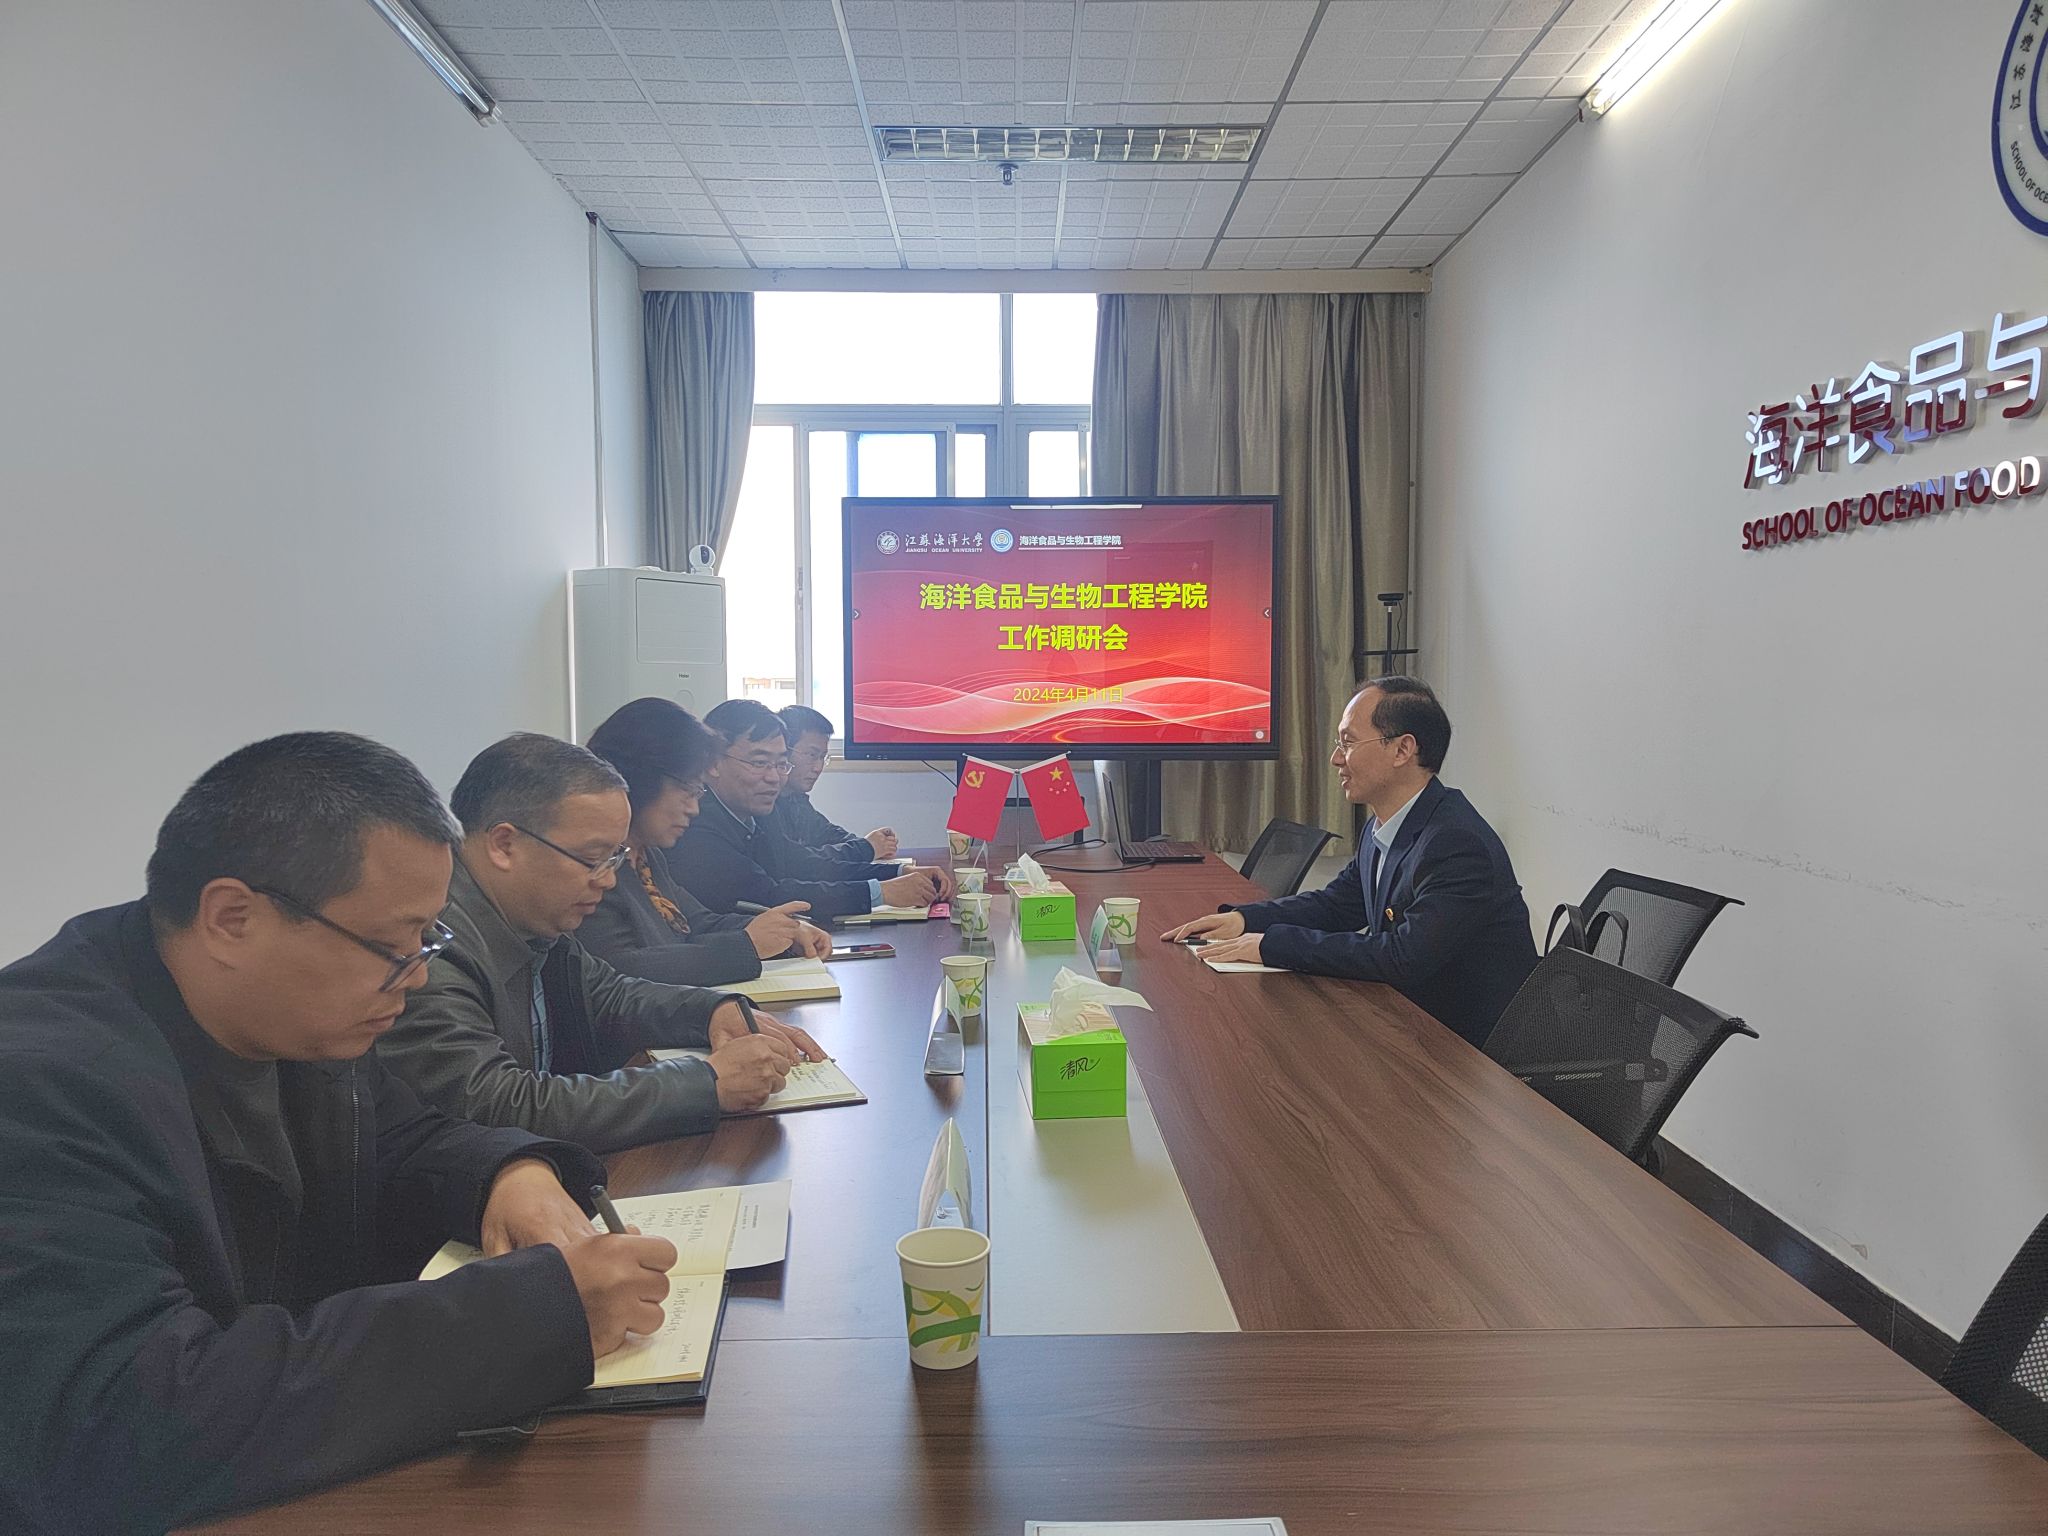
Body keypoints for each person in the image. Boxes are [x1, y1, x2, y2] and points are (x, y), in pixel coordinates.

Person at [0, 733, 681, 1532]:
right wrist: (534, 1317)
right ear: (232, 918)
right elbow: (118, 1423)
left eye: (428, 940)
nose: (416, 977)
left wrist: (507, 1174)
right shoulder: (42, 1083)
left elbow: (402, 1137)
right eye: (392, 948)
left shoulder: (296, 1016)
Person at [377, 733, 824, 1155]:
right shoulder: (429, 943)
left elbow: (611, 994)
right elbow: (496, 1103)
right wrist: (705, 1083)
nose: (609, 880)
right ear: (505, 844)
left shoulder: (531, 918)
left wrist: (711, 1010)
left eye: (615, 858)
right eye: (593, 859)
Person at [1164, 677, 1537, 1047]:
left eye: (1348, 742)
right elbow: (1338, 905)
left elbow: (1402, 957)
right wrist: (1244, 920)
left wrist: (1271, 944)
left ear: (1402, 750)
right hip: (1407, 1026)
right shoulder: (1384, 825)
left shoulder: (1456, 843)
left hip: (1469, 1052)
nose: (1336, 758)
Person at [581, 697, 830, 985]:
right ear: (641, 779)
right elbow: (620, 968)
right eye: (687, 790)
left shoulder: (647, 855)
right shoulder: (592, 864)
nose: (694, 808)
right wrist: (746, 946)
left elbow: (697, 922)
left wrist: (783, 931)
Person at [680, 698, 950, 920]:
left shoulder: (757, 813)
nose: (774, 778)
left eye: (780, 764)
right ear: (712, 763)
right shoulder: (696, 824)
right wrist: (881, 893)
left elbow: (806, 865)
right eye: (760, 762)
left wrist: (898, 873)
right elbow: (770, 895)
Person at [772, 704, 899, 861]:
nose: (818, 768)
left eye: (822, 757)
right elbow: (800, 862)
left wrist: (872, 844)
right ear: (783, 751)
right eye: (811, 755)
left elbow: (828, 834)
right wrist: (866, 848)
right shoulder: (765, 804)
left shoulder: (796, 799)